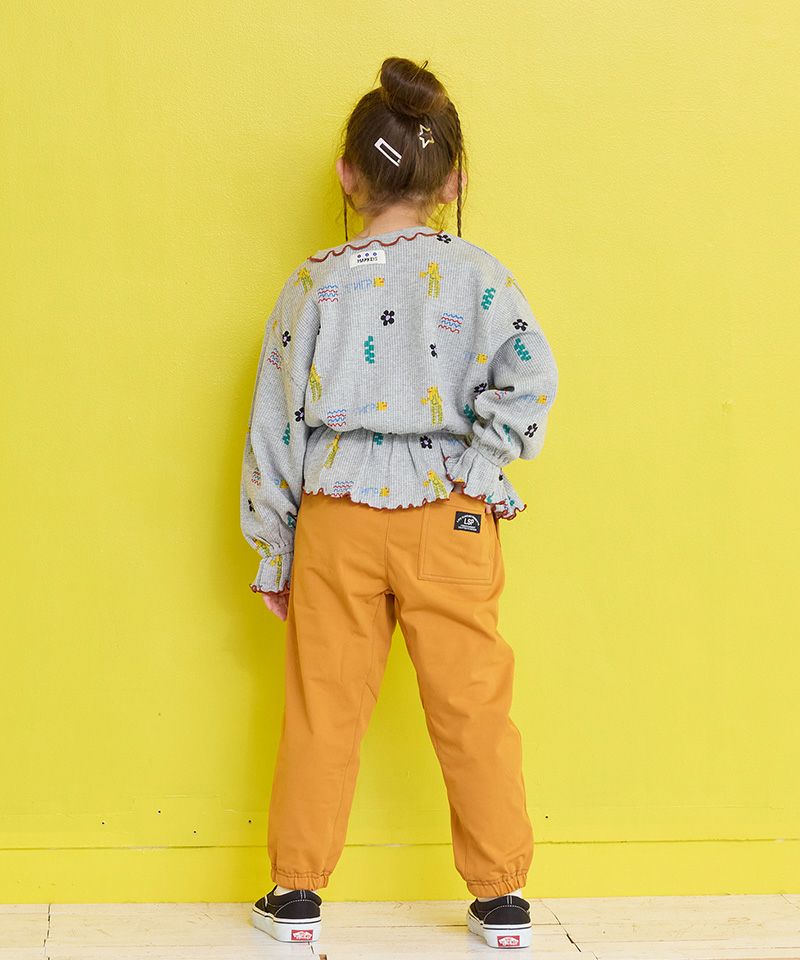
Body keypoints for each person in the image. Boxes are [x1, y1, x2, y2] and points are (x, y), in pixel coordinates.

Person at [241, 56, 558, 950]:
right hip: (450, 513)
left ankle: (295, 896)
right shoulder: (481, 276)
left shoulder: (311, 286)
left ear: (348, 175)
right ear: (452, 183)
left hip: (336, 518)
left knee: (323, 706)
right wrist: (482, 467)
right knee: (472, 704)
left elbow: (276, 427)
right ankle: (502, 900)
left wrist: (274, 549)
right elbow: (532, 375)